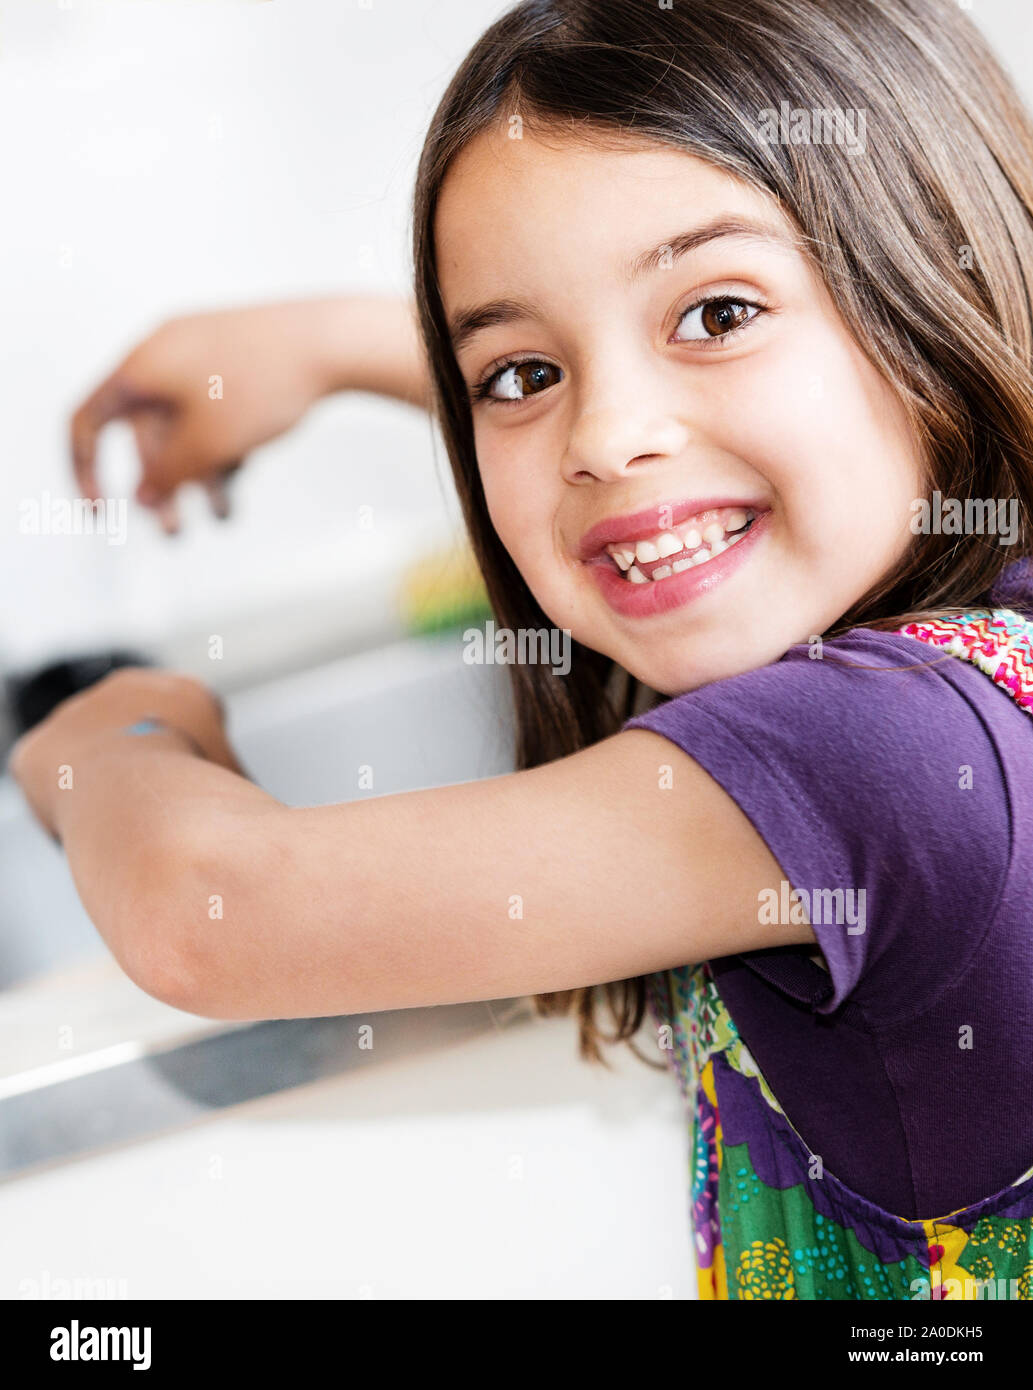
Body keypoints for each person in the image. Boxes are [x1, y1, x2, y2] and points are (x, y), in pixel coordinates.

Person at [11, 0, 1033, 1301]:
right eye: (517, 376)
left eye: (715, 313)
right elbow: (694, 415)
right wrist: (336, 345)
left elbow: (209, 912)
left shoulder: (857, 755)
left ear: (936, 290)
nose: (605, 437)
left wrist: (110, 736)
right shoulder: (990, 625)